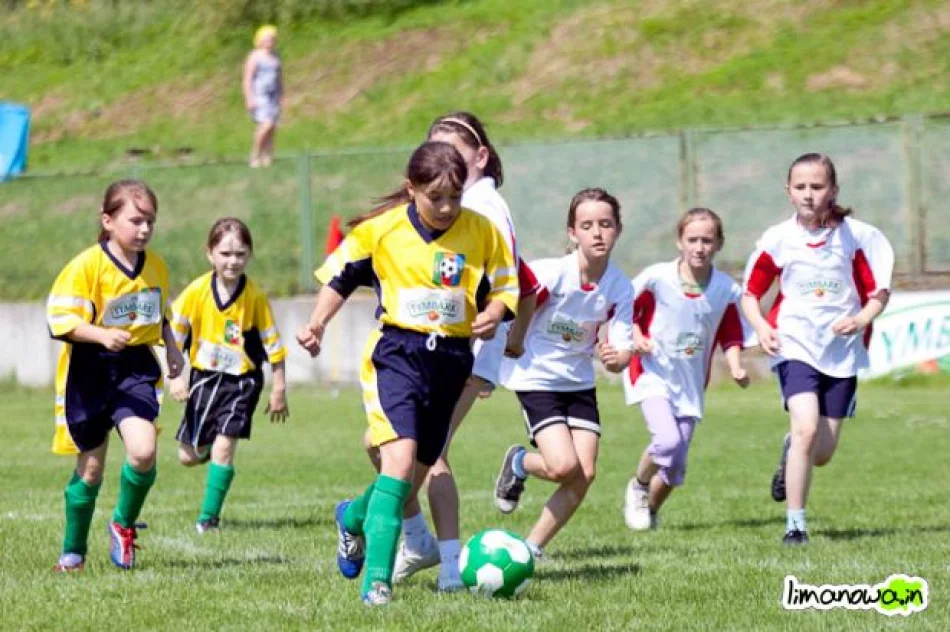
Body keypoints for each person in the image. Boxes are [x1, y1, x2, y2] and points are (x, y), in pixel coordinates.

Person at [296, 141, 518, 606]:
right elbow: (340, 276)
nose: (446, 207)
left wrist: (495, 312)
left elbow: (505, 284)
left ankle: (353, 517)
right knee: (398, 462)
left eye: (455, 197)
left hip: (453, 361)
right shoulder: (382, 231)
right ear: (410, 189)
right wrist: (317, 322)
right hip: (396, 355)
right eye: (435, 197)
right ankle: (377, 583)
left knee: (408, 482)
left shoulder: (482, 231)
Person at [388, 112, 540, 592]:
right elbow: (528, 283)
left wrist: (497, 333)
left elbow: (509, 282)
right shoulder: (470, 203)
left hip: (458, 348)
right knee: (415, 453)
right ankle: (420, 544)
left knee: (424, 455)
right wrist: (513, 340)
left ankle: (419, 548)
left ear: (480, 157)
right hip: (459, 349)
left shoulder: (480, 209)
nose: (444, 160)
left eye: (453, 151)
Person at [741, 153, 894, 545]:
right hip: (794, 343)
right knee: (806, 426)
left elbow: (878, 293)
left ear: (833, 190)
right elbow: (751, 293)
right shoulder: (778, 239)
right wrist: (761, 326)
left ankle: (791, 450)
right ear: (788, 191)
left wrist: (860, 320)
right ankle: (796, 526)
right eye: (801, 187)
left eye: (817, 186)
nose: (809, 194)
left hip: (841, 351)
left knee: (820, 451)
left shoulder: (855, 237)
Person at [47, 180, 184, 572]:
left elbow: (160, 313)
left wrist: (171, 348)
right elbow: (60, 319)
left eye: (150, 222)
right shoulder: (86, 266)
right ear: (107, 221)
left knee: (142, 452)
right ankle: (72, 554)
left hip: (135, 367)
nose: (144, 230)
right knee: (90, 469)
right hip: (89, 370)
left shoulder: (156, 264)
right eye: (136, 221)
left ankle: (122, 524)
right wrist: (101, 334)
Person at [492, 188, 634, 559]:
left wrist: (616, 358)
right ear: (573, 233)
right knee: (561, 466)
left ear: (618, 229)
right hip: (536, 379)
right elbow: (510, 308)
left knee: (584, 473)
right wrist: (496, 357)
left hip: (580, 384)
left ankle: (530, 549)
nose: (597, 233)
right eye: (587, 225)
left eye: (605, 224)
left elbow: (623, 347)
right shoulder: (551, 274)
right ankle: (519, 462)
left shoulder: (619, 287)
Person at [622, 208, 750, 532]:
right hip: (652, 372)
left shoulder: (725, 289)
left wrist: (736, 366)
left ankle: (650, 509)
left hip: (691, 384)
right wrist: (637, 338)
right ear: (680, 242)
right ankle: (638, 485)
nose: (699, 247)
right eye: (692, 239)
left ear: (719, 244)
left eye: (707, 240)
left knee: (675, 468)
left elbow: (731, 334)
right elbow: (625, 308)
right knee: (666, 442)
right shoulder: (656, 279)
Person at [168, 217, 289, 534]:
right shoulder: (195, 292)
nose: (232, 261)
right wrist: (174, 377)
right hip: (204, 381)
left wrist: (279, 388)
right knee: (187, 456)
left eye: (239, 254)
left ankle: (208, 519)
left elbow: (273, 345)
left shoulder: (255, 298)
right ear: (210, 254)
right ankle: (207, 449)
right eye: (225, 253)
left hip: (242, 383)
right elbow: (172, 337)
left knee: (225, 447)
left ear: (249, 255)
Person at [243, 25, 283, 168]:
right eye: (266, 38)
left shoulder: (275, 56)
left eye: (272, 38)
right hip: (260, 95)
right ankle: (254, 155)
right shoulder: (255, 56)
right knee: (266, 124)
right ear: (259, 40)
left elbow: (279, 77)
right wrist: (249, 98)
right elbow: (247, 79)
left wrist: (281, 95)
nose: (270, 41)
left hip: (273, 95)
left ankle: (267, 157)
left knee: (273, 127)